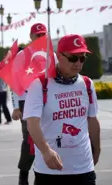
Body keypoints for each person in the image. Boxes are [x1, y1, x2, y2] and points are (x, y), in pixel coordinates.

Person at [23, 34, 100, 185]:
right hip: (49, 170)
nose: (78, 63)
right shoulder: (40, 85)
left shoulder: (87, 84)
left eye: (82, 58)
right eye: (73, 58)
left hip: (83, 168)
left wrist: (97, 150)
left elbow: (92, 120)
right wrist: (46, 151)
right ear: (59, 56)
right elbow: (32, 123)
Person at [11, 23, 47, 185]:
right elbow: (14, 81)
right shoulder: (22, 55)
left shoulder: (50, 54)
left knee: (48, 136)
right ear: (31, 36)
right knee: (29, 139)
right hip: (26, 102)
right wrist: (16, 106)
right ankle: (23, 174)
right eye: (37, 35)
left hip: (46, 100)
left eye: (43, 35)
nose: (40, 38)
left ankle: (44, 173)